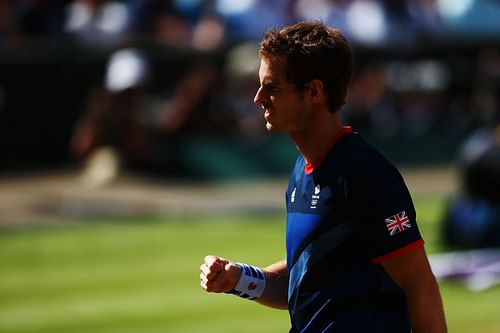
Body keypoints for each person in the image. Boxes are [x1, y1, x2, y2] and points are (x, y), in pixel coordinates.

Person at [200, 21, 447, 332]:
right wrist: (239, 278)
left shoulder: (364, 173)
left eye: (272, 88)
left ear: (313, 91)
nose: (258, 98)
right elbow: (305, 281)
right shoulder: (301, 170)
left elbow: (418, 282)